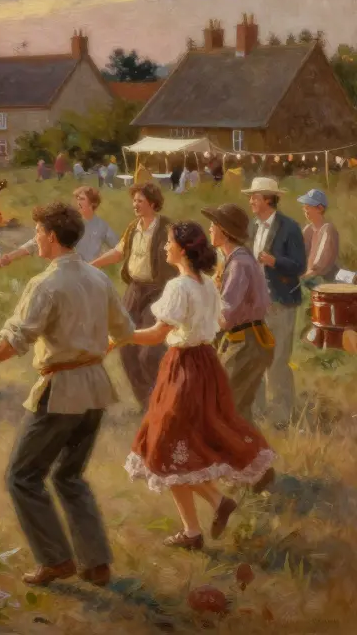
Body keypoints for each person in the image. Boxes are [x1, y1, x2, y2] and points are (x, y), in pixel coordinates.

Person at [0, 202, 131, 588]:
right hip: (96, 388)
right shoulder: (98, 279)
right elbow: (124, 330)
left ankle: (56, 560)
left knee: (21, 476)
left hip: (62, 393)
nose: (35, 238)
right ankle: (97, 563)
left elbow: (16, 338)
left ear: (52, 237)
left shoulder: (47, 284)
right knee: (70, 476)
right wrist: (89, 350)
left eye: (38, 233)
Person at [121, 221, 275, 551]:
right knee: (181, 448)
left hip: (184, 368)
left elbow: (155, 335)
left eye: (169, 242)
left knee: (166, 448)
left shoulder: (179, 287)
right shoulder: (205, 283)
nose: (164, 247)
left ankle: (210, 511)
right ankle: (195, 528)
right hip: (205, 365)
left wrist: (118, 337)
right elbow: (216, 323)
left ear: (183, 249)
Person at [90, 182, 177, 410]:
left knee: (150, 352)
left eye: (140, 201)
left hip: (159, 291)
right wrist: (92, 265)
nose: (135, 205)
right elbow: (118, 252)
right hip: (134, 290)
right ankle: (145, 403)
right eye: (134, 200)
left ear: (153, 203)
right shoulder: (132, 227)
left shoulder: (167, 228)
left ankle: (160, 399)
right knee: (125, 344)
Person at [202, 204, 273, 424]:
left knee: (227, 407)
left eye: (214, 225)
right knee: (237, 411)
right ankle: (254, 456)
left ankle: (246, 455)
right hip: (243, 342)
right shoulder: (232, 261)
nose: (210, 229)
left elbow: (225, 317)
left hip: (245, 345)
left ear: (224, 231)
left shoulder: (239, 265)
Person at [244, 177, 306, 427]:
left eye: (255, 197)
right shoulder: (252, 227)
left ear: (268, 199)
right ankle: (257, 412)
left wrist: (274, 261)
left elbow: (300, 266)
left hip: (281, 302)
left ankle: (281, 417)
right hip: (255, 303)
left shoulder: (289, 228)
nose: (251, 201)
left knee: (278, 360)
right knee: (255, 358)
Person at [1, 186, 117, 266]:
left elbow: (119, 248)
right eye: (76, 198)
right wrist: (11, 256)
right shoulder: (68, 223)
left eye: (82, 199)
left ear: (93, 204)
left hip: (89, 276)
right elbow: (36, 241)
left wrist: (96, 263)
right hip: (64, 272)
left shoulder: (102, 226)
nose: (78, 202)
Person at [298, 188, 339, 288]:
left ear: (320, 209)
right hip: (309, 275)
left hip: (324, 278)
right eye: (304, 207)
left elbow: (320, 266)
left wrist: (302, 278)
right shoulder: (308, 229)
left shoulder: (327, 229)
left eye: (308, 207)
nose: (305, 210)